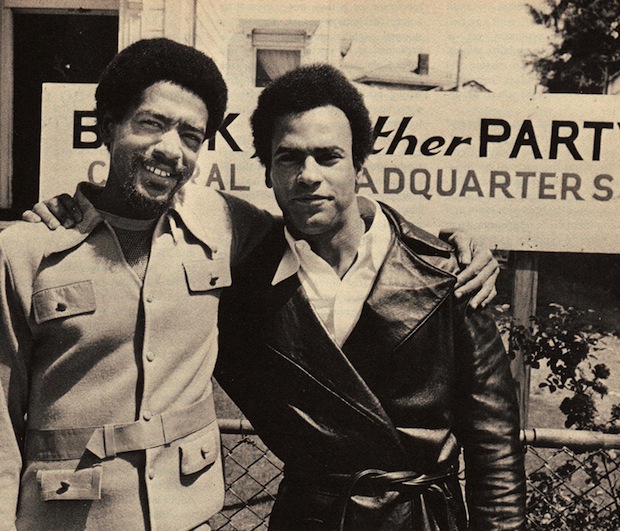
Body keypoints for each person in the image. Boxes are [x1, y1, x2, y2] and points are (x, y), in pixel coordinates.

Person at [4, 40, 498, 529]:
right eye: (151, 123)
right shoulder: (32, 250)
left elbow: (337, 224)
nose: (170, 149)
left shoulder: (223, 225)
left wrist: (449, 248)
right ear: (107, 126)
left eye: (191, 136)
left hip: (189, 515)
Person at [215, 64, 526, 530]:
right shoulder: (241, 290)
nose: (308, 175)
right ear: (268, 172)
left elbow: (494, 446)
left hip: (422, 519)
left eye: (328, 156)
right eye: (289, 158)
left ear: (360, 165)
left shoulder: (449, 273)